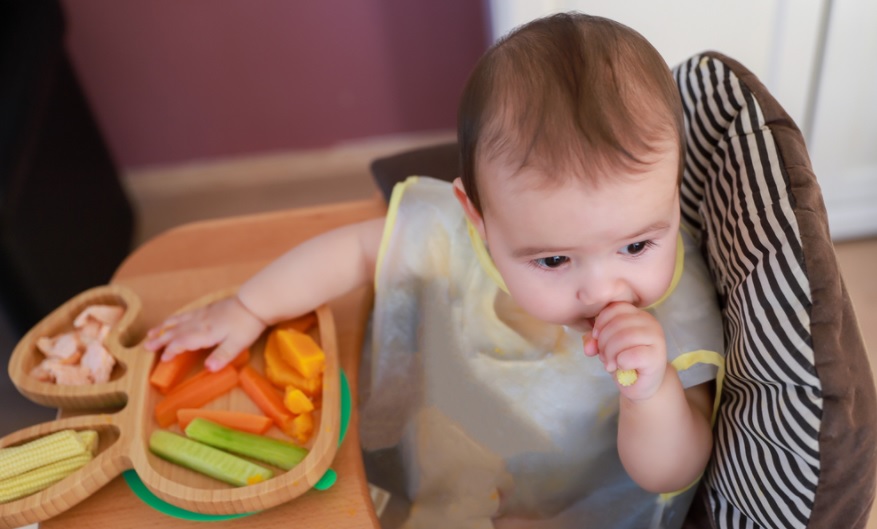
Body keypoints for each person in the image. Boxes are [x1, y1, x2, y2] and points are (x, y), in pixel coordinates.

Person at [145, 12, 724, 528]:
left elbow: (670, 472)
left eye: (637, 245)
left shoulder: (674, 313)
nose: (602, 288)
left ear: (673, 197)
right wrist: (249, 306)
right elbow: (355, 251)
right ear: (477, 218)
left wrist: (651, 392)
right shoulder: (458, 236)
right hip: (448, 470)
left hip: (576, 509)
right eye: (553, 260)